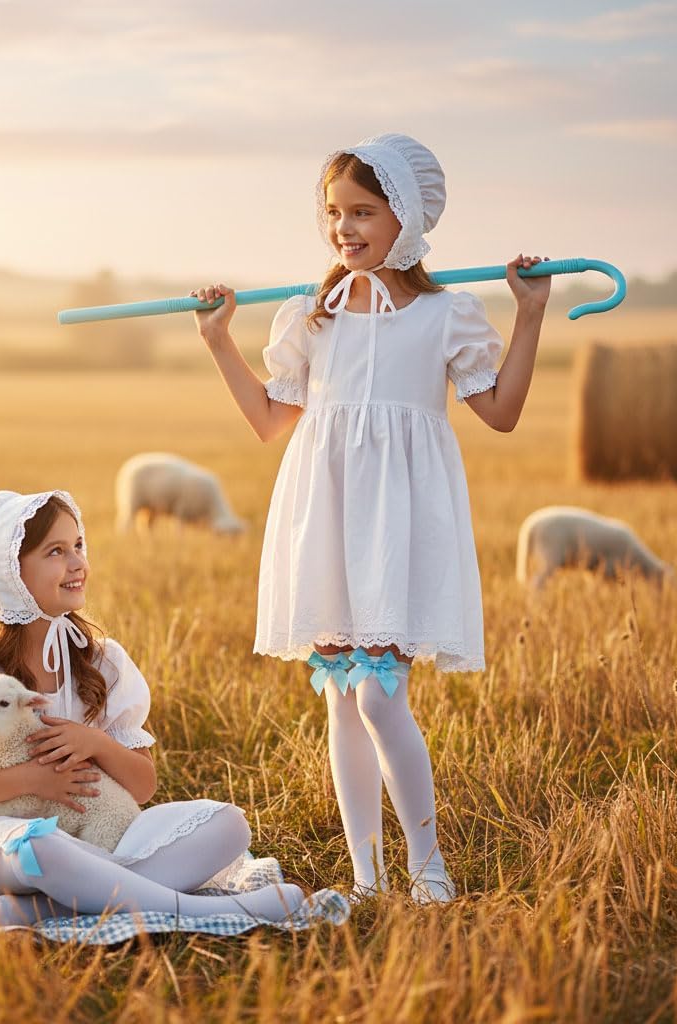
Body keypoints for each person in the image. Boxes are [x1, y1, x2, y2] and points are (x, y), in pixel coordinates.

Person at [188, 133, 551, 903]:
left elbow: (503, 411)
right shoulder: (310, 316)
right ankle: (365, 876)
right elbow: (267, 420)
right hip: (325, 511)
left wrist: (530, 317)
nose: (343, 228)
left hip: (399, 518)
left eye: (362, 212)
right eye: (332, 214)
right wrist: (218, 341)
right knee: (342, 696)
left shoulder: (446, 314)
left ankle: (429, 872)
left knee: (382, 694)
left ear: (406, 218)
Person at [0, 489, 305, 925]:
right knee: (41, 848)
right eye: (55, 552)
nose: (78, 564)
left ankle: (47, 909)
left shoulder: (101, 660)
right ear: (11, 570)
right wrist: (35, 780)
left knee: (229, 826)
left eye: (79, 546)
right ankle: (212, 911)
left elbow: (143, 786)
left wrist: (95, 743)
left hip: (92, 837)